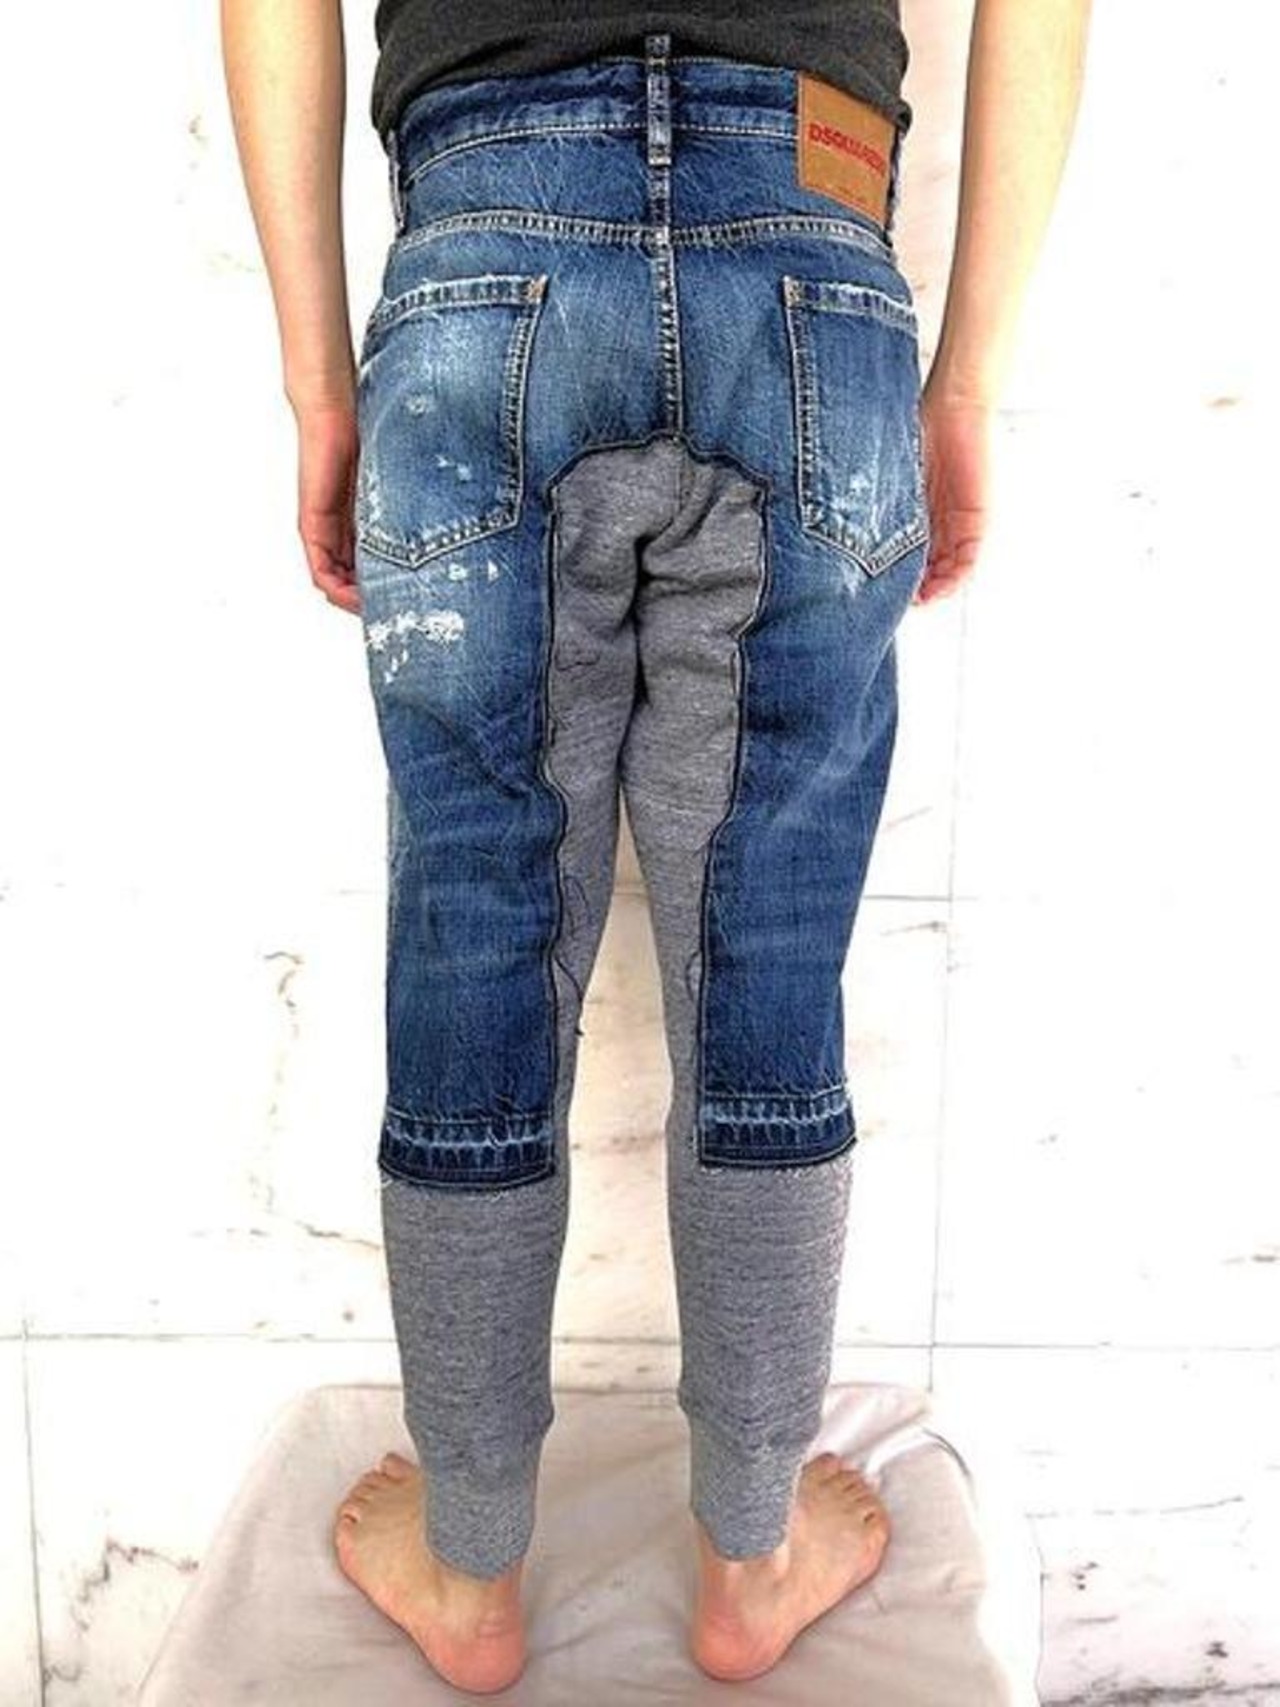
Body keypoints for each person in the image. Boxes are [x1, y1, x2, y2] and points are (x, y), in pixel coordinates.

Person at [220, 0, 1091, 1692]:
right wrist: (966, 380)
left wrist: (320, 386)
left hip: (484, 262)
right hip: (813, 252)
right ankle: (752, 1555)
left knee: (479, 926)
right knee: (766, 941)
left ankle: (471, 1563)